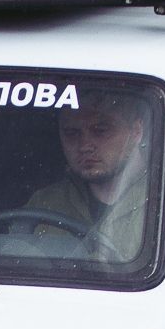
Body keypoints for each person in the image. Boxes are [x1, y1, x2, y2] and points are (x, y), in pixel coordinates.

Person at [21, 92, 154, 260]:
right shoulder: (45, 203)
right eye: (72, 133)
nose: (85, 146)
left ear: (136, 131)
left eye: (100, 131)